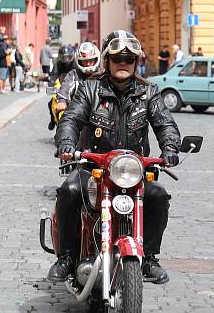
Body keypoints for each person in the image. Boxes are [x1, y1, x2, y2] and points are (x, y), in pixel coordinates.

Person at [51, 30, 181, 284]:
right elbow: (71, 118)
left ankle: (150, 258)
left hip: (132, 169)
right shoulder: (90, 89)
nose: (123, 63)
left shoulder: (149, 92)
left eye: (129, 59)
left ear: (136, 63)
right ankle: (66, 257)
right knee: (69, 191)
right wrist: (66, 142)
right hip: (93, 166)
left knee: (158, 196)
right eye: (118, 58)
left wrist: (171, 148)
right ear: (108, 61)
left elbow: (165, 124)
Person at [56, 41, 100, 115]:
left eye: (91, 60)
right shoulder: (74, 74)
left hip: (99, 114)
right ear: (79, 61)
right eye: (85, 61)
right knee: (64, 124)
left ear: (96, 59)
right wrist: (62, 101)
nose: (88, 64)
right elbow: (65, 87)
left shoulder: (102, 75)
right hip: (77, 113)